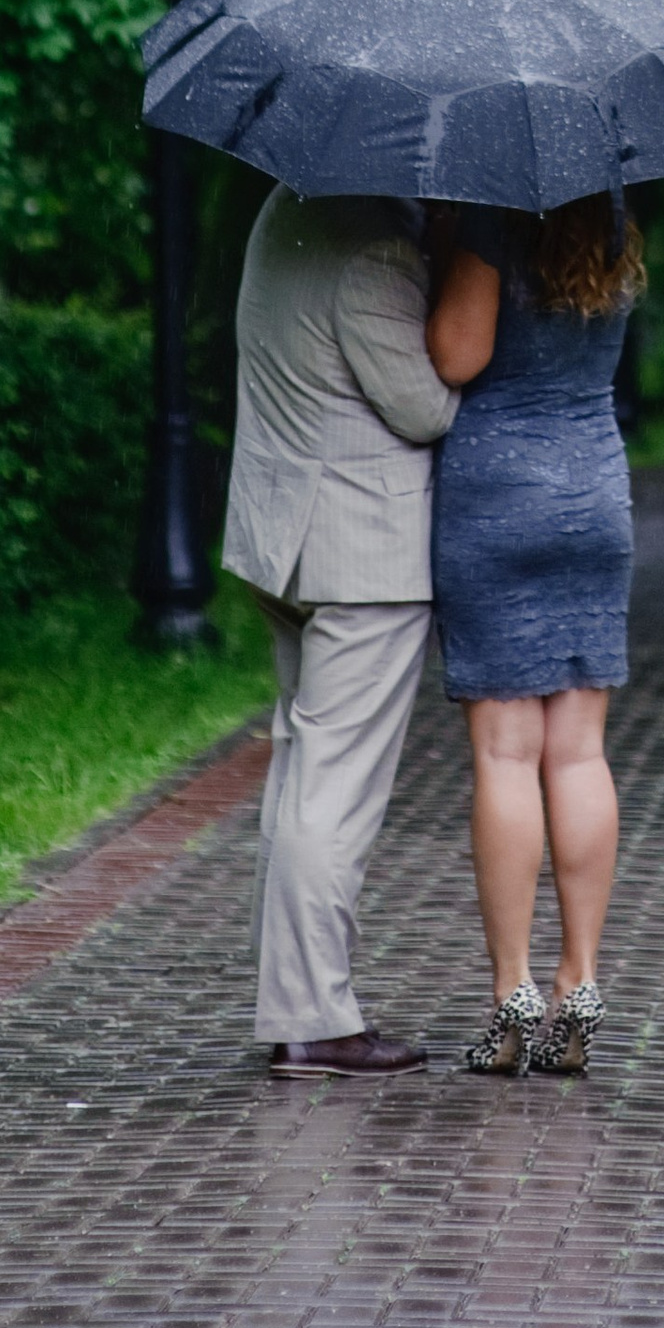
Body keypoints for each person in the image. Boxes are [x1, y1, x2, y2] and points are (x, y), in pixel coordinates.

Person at [221, 182, 460, 1077]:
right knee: (334, 791)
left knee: (300, 769)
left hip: (283, 535)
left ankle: (292, 999)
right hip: (361, 553)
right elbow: (424, 407)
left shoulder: (283, 206)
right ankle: (316, 1018)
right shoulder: (376, 250)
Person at [425, 190, 643, 1076]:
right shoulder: (616, 220)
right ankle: (580, 979)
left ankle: (512, 990)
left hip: (498, 496)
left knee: (507, 753)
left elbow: (458, 352)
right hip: (595, 490)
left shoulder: (493, 222)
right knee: (580, 751)